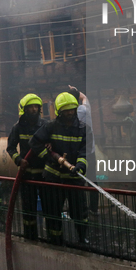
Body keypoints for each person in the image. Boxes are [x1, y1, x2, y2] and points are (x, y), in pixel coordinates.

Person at [30, 92, 91, 246]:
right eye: (66, 110)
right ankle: (55, 239)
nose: (70, 113)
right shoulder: (50, 127)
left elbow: (86, 150)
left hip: (74, 178)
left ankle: (82, 238)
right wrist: (51, 157)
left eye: (72, 110)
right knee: (53, 211)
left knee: (80, 212)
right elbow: (34, 143)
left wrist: (81, 165)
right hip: (54, 177)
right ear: (59, 112)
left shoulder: (84, 129)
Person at [6, 93, 47, 240]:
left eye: (36, 107)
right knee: (28, 209)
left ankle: (53, 239)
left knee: (49, 208)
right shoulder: (17, 128)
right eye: (31, 107)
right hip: (26, 176)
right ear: (24, 109)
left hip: (44, 175)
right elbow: (10, 148)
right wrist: (19, 160)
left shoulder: (44, 126)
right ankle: (30, 237)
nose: (34, 109)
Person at [68, 85, 98, 215]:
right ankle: (94, 209)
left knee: (78, 181)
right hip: (91, 152)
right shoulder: (86, 109)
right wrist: (76, 91)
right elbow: (84, 98)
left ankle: (81, 208)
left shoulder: (73, 113)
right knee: (92, 180)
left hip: (79, 154)